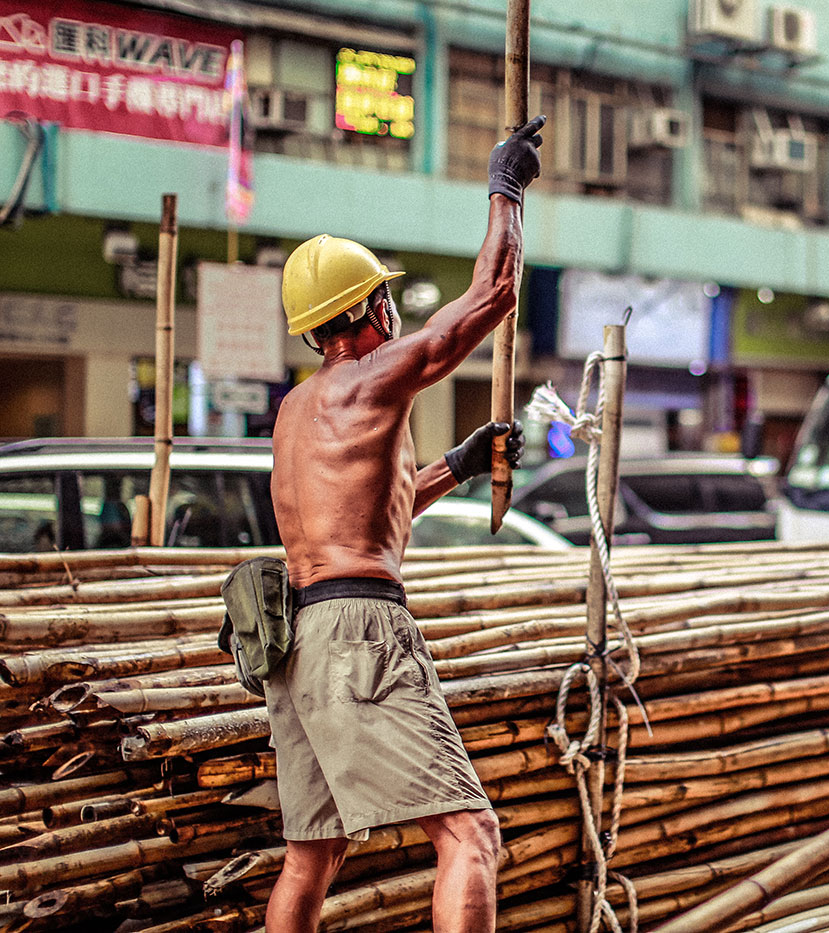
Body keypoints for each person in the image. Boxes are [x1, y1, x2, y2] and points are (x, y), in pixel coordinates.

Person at [265, 115, 546, 933]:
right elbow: (491, 296)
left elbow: (366, 515)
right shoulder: (373, 378)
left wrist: (456, 465)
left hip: (302, 640)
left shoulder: (296, 410)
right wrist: (506, 189)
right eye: (385, 297)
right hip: (362, 630)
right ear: (368, 310)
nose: (393, 310)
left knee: (312, 853)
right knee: (471, 835)